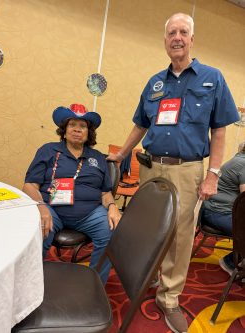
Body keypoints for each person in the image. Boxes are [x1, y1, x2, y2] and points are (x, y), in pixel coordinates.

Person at [107, 13, 239, 333]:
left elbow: (220, 130)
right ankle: (149, 276)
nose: (176, 37)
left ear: (192, 39)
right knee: (149, 230)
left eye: (183, 32)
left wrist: (214, 174)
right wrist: (123, 154)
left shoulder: (212, 78)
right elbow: (141, 123)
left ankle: (170, 298)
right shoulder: (155, 82)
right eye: (171, 33)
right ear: (165, 40)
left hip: (187, 170)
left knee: (180, 238)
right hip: (152, 167)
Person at [23, 103, 121, 284]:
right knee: (38, 227)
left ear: (88, 132)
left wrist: (113, 207)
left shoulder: (98, 157)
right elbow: (29, 185)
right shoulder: (48, 150)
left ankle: (95, 284)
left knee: (112, 230)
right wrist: (41, 207)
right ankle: (31, 283)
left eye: (82, 126)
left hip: (89, 212)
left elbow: (105, 192)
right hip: (52, 210)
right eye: (72, 125)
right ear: (64, 130)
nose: (77, 129)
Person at [201, 141, 245, 275]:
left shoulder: (239, 160)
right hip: (217, 213)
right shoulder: (243, 164)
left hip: (217, 210)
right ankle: (230, 262)